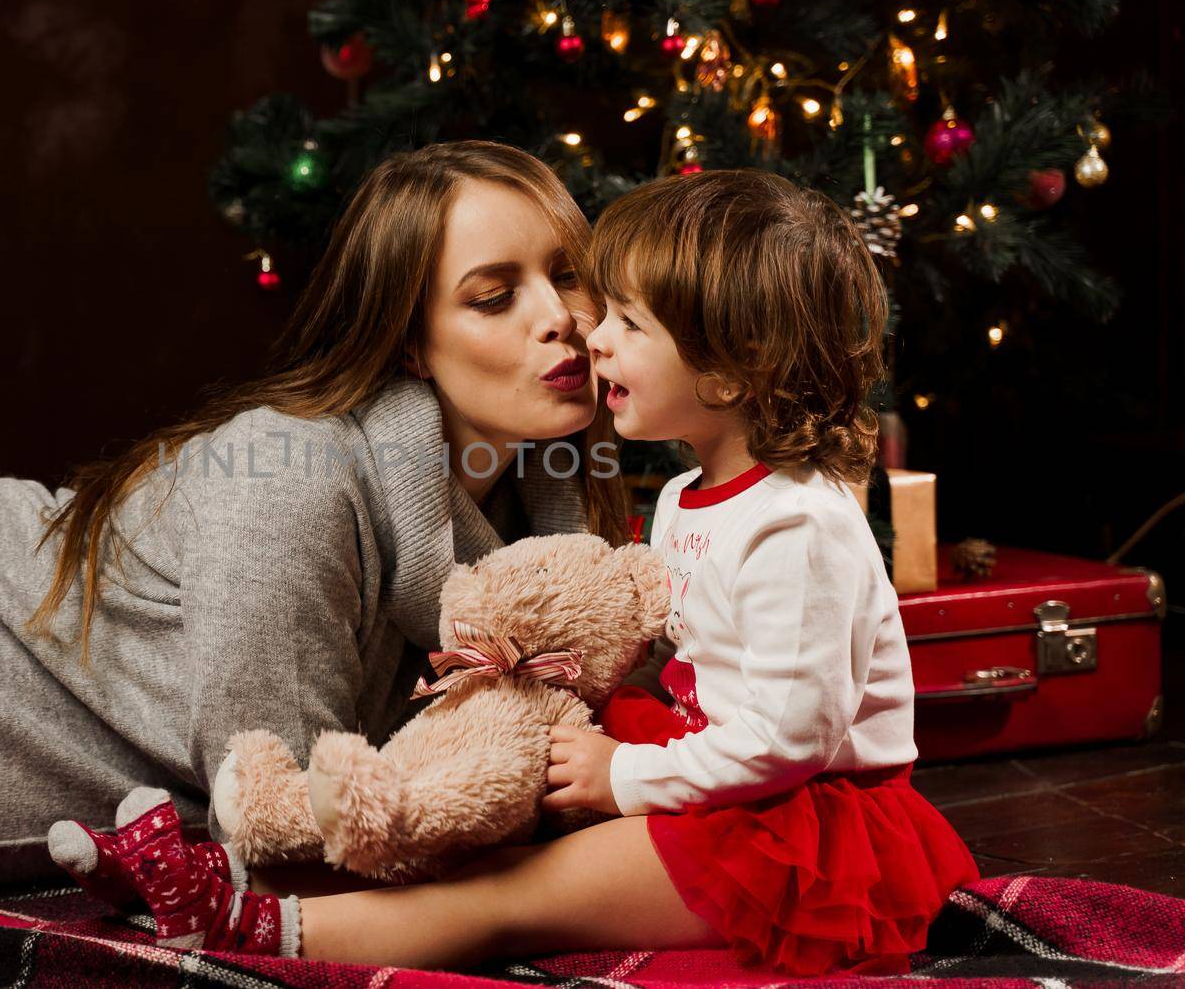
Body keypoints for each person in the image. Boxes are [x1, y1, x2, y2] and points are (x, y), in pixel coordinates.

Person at [0, 140, 627, 941]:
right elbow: (277, 834)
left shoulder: (547, 517)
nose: (561, 319)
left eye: (571, 275)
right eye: (494, 294)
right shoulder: (295, 476)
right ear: (406, 336)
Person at [51, 169, 980, 976]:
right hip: (716, 778)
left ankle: (268, 931)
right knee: (510, 826)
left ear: (732, 374)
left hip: (802, 831)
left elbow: (790, 739)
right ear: (409, 339)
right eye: (498, 294)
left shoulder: (798, 527)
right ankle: (264, 885)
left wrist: (625, 773)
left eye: (616, 313)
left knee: (514, 893)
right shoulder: (684, 492)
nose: (584, 334)